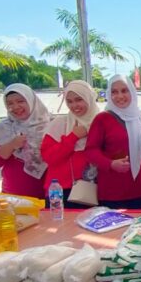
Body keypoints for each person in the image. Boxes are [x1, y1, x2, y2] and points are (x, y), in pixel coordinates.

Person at [86, 74, 141, 209]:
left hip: (139, 188)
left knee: (140, 229)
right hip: (112, 191)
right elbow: (91, 150)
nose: (119, 96)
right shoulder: (102, 119)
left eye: (124, 90)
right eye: (114, 92)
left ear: (132, 92)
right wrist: (110, 164)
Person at [0, 84, 52, 199]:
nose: (16, 106)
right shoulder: (2, 129)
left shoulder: (53, 125)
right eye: (10, 103)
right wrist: (11, 145)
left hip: (52, 196)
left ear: (31, 101)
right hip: (15, 199)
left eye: (20, 101)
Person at [41, 80, 99, 209]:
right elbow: (49, 157)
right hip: (61, 190)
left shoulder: (101, 121)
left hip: (93, 189)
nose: (74, 105)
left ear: (89, 98)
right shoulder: (60, 124)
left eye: (79, 99)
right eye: (70, 101)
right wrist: (73, 137)